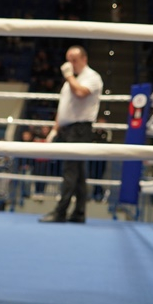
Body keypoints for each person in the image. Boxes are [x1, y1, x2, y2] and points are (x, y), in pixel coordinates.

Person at [38, 46, 103, 223]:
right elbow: (64, 107)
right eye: (68, 60)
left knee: (70, 171)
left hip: (80, 129)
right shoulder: (71, 80)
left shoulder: (92, 77)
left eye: (74, 60)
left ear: (84, 59)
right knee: (79, 173)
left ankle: (60, 212)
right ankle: (79, 213)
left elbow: (81, 93)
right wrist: (54, 129)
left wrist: (68, 76)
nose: (70, 64)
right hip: (68, 129)